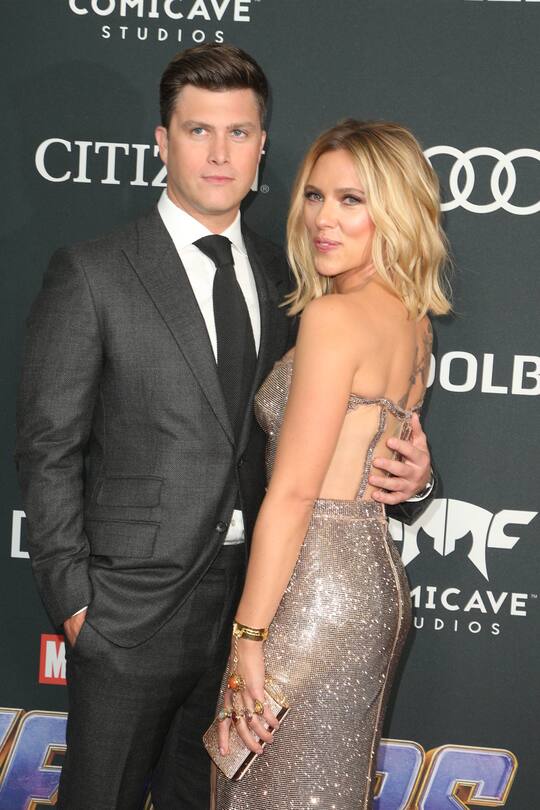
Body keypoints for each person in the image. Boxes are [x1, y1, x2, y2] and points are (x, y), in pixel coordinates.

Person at [15, 44, 434, 810]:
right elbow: (49, 449)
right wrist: (76, 604)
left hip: (265, 606)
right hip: (130, 616)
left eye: (238, 132)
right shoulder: (94, 272)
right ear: (161, 141)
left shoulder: (293, 281)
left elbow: (340, 438)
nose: (219, 153)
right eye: (198, 130)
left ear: (261, 145)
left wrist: (417, 478)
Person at [214, 119, 451, 810]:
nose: (323, 219)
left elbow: (293, 495)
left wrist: (248, 637)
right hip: (370, 586)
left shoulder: (334, 320)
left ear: (395, 211)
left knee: (259, 788)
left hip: (309, 589)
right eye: (315, 196)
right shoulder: (414, 321)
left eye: (352, 200)